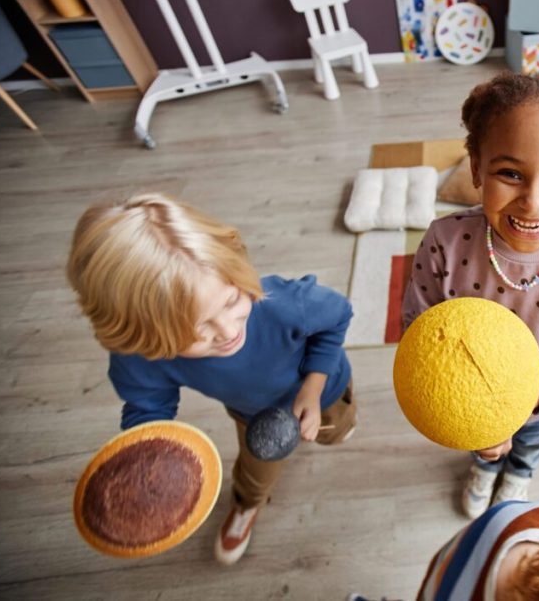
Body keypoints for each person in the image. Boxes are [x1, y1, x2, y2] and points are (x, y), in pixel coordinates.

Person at [66, 193, 357, 565]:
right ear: (148, 340)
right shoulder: (145, 355)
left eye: (232, 301)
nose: (226, 332)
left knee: (335, 429)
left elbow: (337, 317)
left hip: (327, 388)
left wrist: (313, 390)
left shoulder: (284, 303)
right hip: (250, 413)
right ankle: (246, 504)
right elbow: (147, 408)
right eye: (198, 329)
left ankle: (339, 427)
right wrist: (145, 474)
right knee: (254, 470)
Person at [402, 73, 539, 518]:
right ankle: (485, 468)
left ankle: (519, 475)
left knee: (532, 445)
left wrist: (525, 400)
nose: (532, 200)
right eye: (510, 173)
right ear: (475, 168)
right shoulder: (445, 241)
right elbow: (418, 326)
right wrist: (477, 415)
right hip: (465, 399)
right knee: (484, 448)